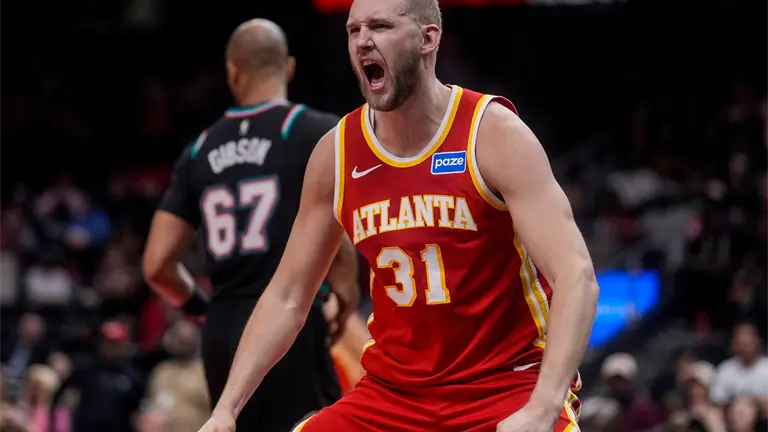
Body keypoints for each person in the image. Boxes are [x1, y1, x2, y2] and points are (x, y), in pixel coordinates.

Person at [197, 0, 599, 430]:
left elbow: (576, 275)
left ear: (428, 38)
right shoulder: (336, 154)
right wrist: (225, 410)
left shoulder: (493, 133)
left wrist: (542, 407)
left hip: (504, 385)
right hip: (394, 395)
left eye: (380, 26)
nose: (363, 41)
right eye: (353, 30)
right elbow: (288, 296)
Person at [142, 18, 359, 432]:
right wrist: (345, 290)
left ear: (232, 71)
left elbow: (157, 264)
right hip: (290, 321)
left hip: (223, 328)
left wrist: (202, 308)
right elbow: (335, 228)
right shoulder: (315, 131)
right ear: (288, 67)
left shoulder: (199, 148)